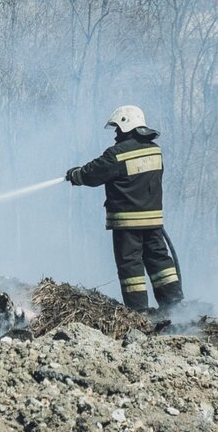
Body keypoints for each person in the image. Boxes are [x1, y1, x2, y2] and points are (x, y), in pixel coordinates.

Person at [66, 105, 184, 312]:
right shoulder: (155, 151)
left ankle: (138, 311)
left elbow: (92, 174)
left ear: (125, 124)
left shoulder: (117, 154)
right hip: (153, 221)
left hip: (126, 222)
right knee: (160, 262)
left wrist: (75, 174)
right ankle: (174, 306)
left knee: (131, 269)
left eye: (117, 128)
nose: (115, 133)